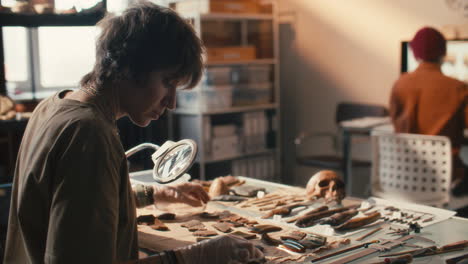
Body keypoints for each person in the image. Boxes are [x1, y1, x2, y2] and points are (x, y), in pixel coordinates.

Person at [3, 2, 263, 264]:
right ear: (129, 67)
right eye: (167, 83)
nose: (171, 102)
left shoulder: (54, 106)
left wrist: (153, 194)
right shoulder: (89, 133)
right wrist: (194, 257)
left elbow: (75, 206)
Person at [389, 27, 468, 195]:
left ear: (414, 53)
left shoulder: (400, 84)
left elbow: (395, 122)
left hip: (403, 173)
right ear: (444, 51)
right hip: (445, 175)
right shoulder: (458, 88)